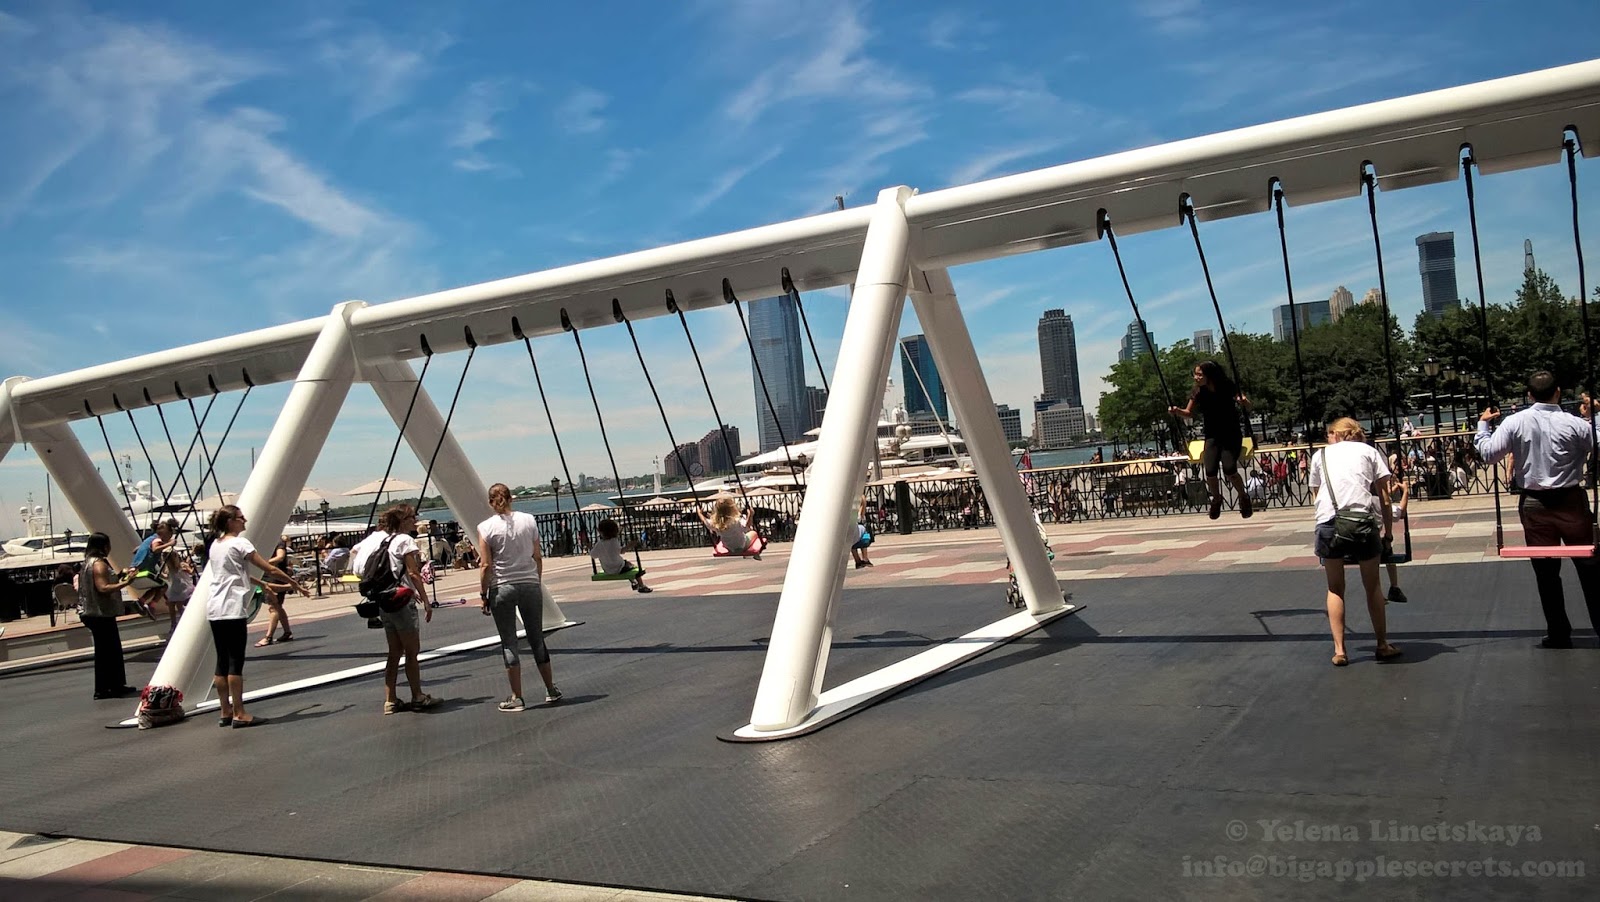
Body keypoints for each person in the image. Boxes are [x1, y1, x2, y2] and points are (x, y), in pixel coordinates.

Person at [1474, 371, 1600, 649]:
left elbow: (1489, 454)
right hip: (1570, 500)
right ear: (1558, 392)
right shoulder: (1575, 423)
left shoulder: (1515, 422)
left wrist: (1483, 426)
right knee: (1591, 567)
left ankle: (1558, 632)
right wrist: (1596, 415)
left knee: (1546, 572)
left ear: (1529, 395)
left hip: (1534, 503)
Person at [198, 505, 308, 727]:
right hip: (232, 607)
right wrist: (294, 583)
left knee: (222, 661)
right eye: (240, 518)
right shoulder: (241, 543)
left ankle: (225, 710)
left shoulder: (216, 545)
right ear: (230, 521)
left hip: (215, 607)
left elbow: (233, 574)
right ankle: (239, 713)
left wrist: (262, 584)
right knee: (235, 661)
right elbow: (270, 568)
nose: (245, 520)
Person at [1308, 418, 1400, 666]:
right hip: (1360, 523)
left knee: (1335, 588)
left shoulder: (1320, 455)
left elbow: (1316, 494)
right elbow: (1384, 498)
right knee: (1373, 586)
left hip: (1329, 523)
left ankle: (1340, 650)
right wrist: (1388, 533)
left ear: (1337, 434)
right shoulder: (1369, 452)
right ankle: (1382, 644)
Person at [478, 483, 561, 712]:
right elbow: (537, 556)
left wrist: (483, 593)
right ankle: (550, 689)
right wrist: (535, 580)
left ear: (490, 502)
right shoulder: (529, 520)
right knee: (537, 638)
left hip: (502, 586)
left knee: (509, 641)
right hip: (530, 583)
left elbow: (486, 565)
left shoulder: (485, 527)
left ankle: (517, 697)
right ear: (511, 498)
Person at [351, 505, 441, 714]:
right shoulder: (404, 540)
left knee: (394, 652)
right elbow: (414, 573)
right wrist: (426, 601)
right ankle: (418, 696)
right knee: (412, 651)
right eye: (412, 518)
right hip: (402, 601)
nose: (415, 521)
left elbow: (356, 554)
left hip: (384, 600)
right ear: (403, 521)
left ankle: (390, 699)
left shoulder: (381, 540)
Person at [1169, 361, 1253, 520]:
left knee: (1229, 469)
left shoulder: (1227, 386)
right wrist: (1177, 411)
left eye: (1199, 375)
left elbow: (1246, 405)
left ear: (1210, 375)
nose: (1196, 377)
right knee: (1210, 471)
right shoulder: (1198, 391)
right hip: (1212, 435)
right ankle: (1216, 499)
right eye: (1195, 374)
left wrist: (1244, 401)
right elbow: (1188, 412)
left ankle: (1243, 497)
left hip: (1231, 434)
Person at [78, 532, 139, 700]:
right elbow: (103, 587)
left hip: (92, 612)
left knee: (105, 650)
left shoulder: (88, 562)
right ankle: (111, 686)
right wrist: (126, 583)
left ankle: (107, 686)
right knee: (110, 651)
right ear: (104, 546)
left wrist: (119, 576)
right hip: (100, 613)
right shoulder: (99, 564)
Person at [589, 518, 653, 592]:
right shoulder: (614, 541)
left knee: (626, 566)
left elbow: (593, 555)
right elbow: (621, 551)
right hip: (620, 567)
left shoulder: (599, 544)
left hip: (607, 570)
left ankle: (634, 582)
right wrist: (629, 545)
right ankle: (641, 586)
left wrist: (590, 547)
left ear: (600, 531)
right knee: (633, 568)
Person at [256, 535, 294, 647]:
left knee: (273, 607)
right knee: (278, 606)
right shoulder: (264, 542)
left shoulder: (278, 541)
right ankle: (287, 632)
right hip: (269, 576)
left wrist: (263, 563)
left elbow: (280, 557)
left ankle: (268, 637)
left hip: (276, 577)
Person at [697, 497, 762, 558]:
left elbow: (705, 521)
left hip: (728, 547)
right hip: (742, 545)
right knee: (753, 533)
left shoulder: (716, 523)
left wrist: (700, 513)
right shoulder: (736, 521)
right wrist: (750, 515)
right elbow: (747, 526)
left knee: (727, 537)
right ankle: (755, 553)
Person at [1383, 476, 1410, 605]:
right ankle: (1393, 586)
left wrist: (1388, 492)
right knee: (1385, 546)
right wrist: (1405, 492)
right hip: (1371, 541)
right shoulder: (1381, 503)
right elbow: (1401, 512)